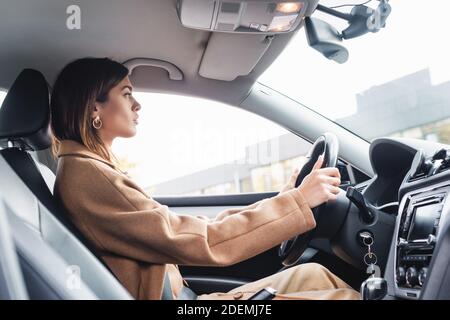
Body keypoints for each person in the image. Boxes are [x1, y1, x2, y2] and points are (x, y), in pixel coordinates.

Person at [50, 57, 360, 300]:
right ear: (94, 107)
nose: (137, 104)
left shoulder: (91, 168)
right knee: (345, 297)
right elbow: (205, 241)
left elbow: (186, 230)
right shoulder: (88, 175)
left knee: (316, 275)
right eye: (126, 93)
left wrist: (285, 200)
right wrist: (298, 202)